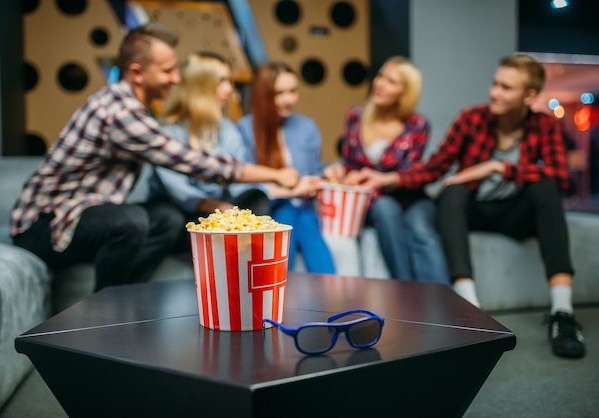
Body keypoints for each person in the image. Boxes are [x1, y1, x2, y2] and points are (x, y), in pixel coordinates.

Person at [10, 23, 298, 291]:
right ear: (136, 73)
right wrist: (274, 174)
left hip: (81, 212)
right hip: (43, 227)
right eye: (167, 70)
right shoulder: (120, 114)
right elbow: (195, 163)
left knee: (165, 218)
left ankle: (133, 293)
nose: (176, 78)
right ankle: (104, 312)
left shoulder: (132, 107)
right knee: (130, 220)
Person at [348, 54, 585, 358]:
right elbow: (435, 167)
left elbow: (561, 177)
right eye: (495, 84)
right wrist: (386, 178)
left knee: (545, 190)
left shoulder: (544, 126)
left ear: (529, 96)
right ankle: (471, 310)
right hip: (474, 212)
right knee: (452, 190)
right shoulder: (472, 119)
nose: (494, 92)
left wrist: (497, 167)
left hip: (515, 215)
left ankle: (563, 314)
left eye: (506, 88)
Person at [323, 56, 448, 284]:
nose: (379, 84)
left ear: (404, 92)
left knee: (421, 229)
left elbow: (411, 174)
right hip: (371, 200)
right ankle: (409, 290)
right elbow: (349, 163)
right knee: (385, 208)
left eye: (391, 81)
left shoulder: (417, 125)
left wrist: (378, 180)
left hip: (408, 196)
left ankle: (446, 303)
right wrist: (342, 174)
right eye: (380, 76)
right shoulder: (356, 116)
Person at [148, 51, 270, 244]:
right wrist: (219, 207)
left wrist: (284, 188)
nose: (229, 90)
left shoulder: (229, 131)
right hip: (185, 210)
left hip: (220, 209)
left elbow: (239, 181)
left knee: (257, 198)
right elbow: (179, 192)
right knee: (172, 217)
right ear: (201, 86)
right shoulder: (169, 133)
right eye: (222, 81)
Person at [237, 61, 336, 274]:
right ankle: (282, 294)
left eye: (293, 91)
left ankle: (334, 297)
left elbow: (314, 168)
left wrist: (326, 174)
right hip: (269, 206)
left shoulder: (307, 126)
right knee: (289, 213)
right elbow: (242, 183)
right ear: (263, 95)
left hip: (304, 205)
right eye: (279, 93)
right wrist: (289, 190)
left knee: (306, 219)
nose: (288, 99)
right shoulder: (245, 129)